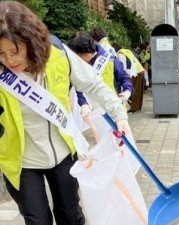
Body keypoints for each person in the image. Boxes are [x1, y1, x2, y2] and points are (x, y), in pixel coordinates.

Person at [0, 1, 131, 225]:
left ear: (32, 42)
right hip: (21, 161)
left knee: (71, 215)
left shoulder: (58, 54)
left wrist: (119, 115)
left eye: (15, 51)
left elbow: (94, 85)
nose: (9, 60)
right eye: (1, 54)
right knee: (37, 220)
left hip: (63, 153)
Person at [68, 34, 133, 116]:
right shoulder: (79, 64)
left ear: (89, 50)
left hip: (113, 109)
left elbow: (124, 78)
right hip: (92, 113)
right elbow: (79, 85)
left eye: (80, 55)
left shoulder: (110, 60)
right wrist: (83, 103)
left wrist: (127, 90)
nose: (78, 58)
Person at [113, 43, 145, 113]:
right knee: (138, 91)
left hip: (135, 73)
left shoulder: (120, 54)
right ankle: (136, 107)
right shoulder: (126, 51)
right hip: (139, 71)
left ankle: (133, 108)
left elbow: (122, 67)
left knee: (134, 91)